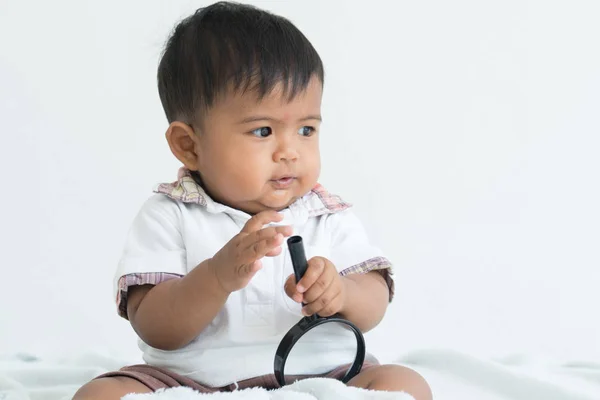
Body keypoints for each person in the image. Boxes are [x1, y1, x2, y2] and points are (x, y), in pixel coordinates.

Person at [74, 2, 432, 399]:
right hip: (192, 382)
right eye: (263, 131)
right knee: (99, 395)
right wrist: (216, 277)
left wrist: (343, 293)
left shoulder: (324, 213)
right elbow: (155, 326)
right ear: (189, 146)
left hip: (326, 374)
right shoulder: (170, 214)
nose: (290, 151)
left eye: (306, 130)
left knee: (405, 385)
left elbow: (375, 301)